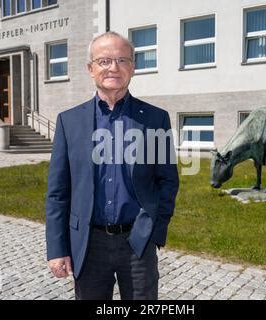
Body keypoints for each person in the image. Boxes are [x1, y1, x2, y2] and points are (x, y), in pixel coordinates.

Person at [45, 31, 179, 300]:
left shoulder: (155, 119)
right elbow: (58, 193)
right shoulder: (69, 122)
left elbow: (168, 181)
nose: (113, 68)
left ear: (133, 67)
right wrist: (57, 248)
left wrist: (154, 231)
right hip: (88, 243)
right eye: (104, 61)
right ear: (90, 68)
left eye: (122, 60)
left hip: (137, 242)